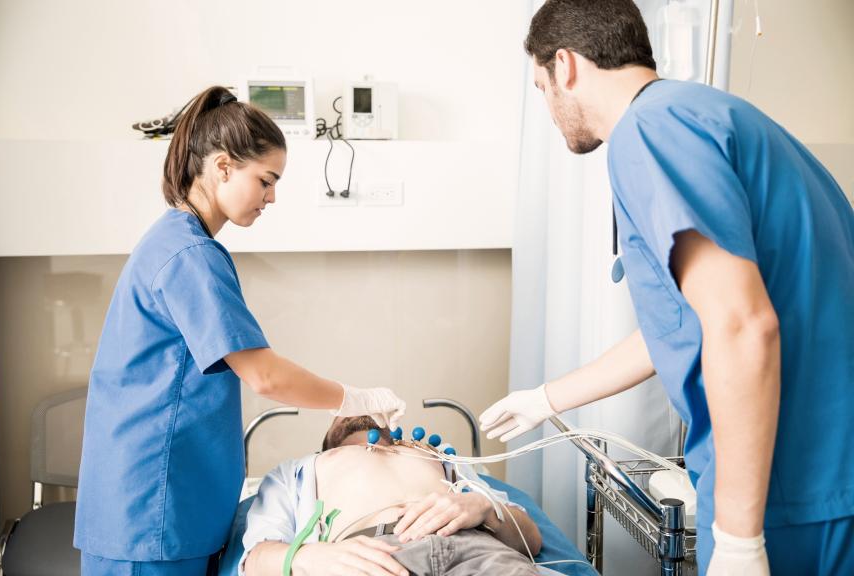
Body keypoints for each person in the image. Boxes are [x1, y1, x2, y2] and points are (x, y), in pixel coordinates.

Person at [479, 1, 854, 575]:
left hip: (794, 487)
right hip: (828, 478)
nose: (550, 109)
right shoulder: (714, 116)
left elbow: (741, 324)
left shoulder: (650, 132)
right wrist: (547, 398)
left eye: (541, 86)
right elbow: (688, 324)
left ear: (566, 65)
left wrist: (737, 538)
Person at [74, 86, 406, 576]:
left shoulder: (180, 243)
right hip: (151, 512)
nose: (272, 197)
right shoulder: (189, 256)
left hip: (163, 506)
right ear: (224, 167)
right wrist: (351, 398)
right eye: (266, 180)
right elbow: (264, 376)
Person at [240, 416, 544, 576]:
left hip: (475, 546)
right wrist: (308, 558)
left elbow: (530, 540)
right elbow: (255, 561)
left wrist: (485, 508)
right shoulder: (298, 471)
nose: (359, 409)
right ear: (326, 441)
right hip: (372, 559)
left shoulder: (438, 457)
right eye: (344, 406)